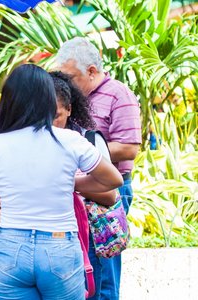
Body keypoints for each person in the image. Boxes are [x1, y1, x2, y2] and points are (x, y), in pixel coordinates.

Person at [0, 64, 123, 300]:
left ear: (9, 101)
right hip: (58, 245)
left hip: (11, 246)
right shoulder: (70, 140)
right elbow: (113, 179)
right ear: (47, 99)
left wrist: (13, 198)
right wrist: (70, 183)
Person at [55, 37, 141, 300]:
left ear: (92, 71)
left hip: (109, 189)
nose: (67, 84)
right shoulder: (68, 98)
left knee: (103, 265)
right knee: (85, 262)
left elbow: (129, 148)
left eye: (71, 77)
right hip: (76, 187)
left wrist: (85, 149)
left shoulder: (119, 94)